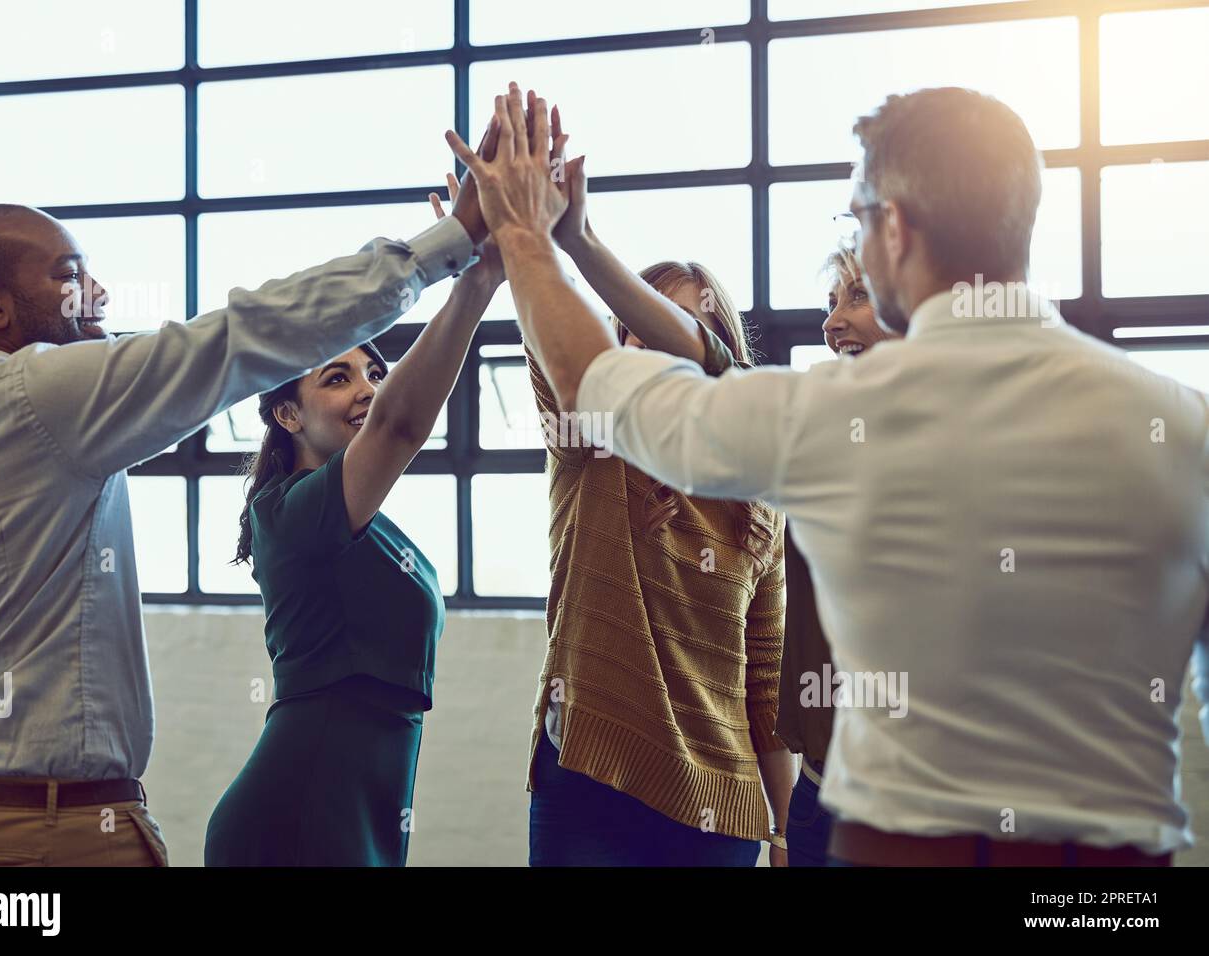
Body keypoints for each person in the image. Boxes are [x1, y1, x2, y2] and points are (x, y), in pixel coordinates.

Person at [451, 84, 1209, 866]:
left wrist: (524, 232)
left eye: (859, 218)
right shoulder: (1185, 428)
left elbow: (593, 378)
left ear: (896, 230)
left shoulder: (829, 420)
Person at [0, 136, 488, 865]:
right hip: (39, 834)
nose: (99, 296)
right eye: (69, 277)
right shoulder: (37, 393)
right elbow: (245, 336)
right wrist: (453, 242)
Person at [438, 124, 794, 865]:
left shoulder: (760, 507)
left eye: (687, 326)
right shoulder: (595, 445)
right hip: (590, 785)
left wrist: (790, 835)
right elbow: (560, 352)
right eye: (638, 326)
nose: (659, 340)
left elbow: (767, 692)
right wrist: (519, 228)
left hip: (718, 815)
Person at [204, 123, 504, 866]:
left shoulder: (366, 522)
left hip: (370, 807)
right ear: (286, 414)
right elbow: (400, 426)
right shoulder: (290, 515)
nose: (368, 387)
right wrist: (475, 275)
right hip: (297, 812)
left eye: (372, 369)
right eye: (336, 378)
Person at [779, 241, 899, 867]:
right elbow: (713, 370)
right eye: (830, 303)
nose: (831, 323)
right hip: (819, 797)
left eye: (858, 297)